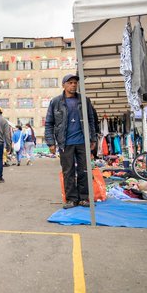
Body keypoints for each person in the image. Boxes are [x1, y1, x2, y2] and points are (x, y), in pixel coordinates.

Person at [45, 74, 97, 209]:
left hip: (82, 141)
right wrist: (51, 142)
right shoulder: (56, 102)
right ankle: (71, 199)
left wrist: (93, 138)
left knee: (84, 170)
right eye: (70, 83)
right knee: (68, 171)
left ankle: (84, 198)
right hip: (65, 142)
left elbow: (91, 121)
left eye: (75, 83)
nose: (73, 85)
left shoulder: (84, 100)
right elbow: (49, 123)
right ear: (64, 85)